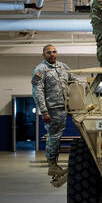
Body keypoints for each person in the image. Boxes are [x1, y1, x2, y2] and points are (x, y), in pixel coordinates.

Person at [31, 45, 75, 177]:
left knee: (57, 135)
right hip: (52, 108)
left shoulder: (63, 67)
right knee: (54, 136)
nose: (52, 54)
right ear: (43, 54)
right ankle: (52, 165)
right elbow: (38, 92)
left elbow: (73, 81)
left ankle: (54, 164)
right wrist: (44, 111)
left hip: (65, 106)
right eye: (49, 52)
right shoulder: (40, 70)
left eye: (54, 52)